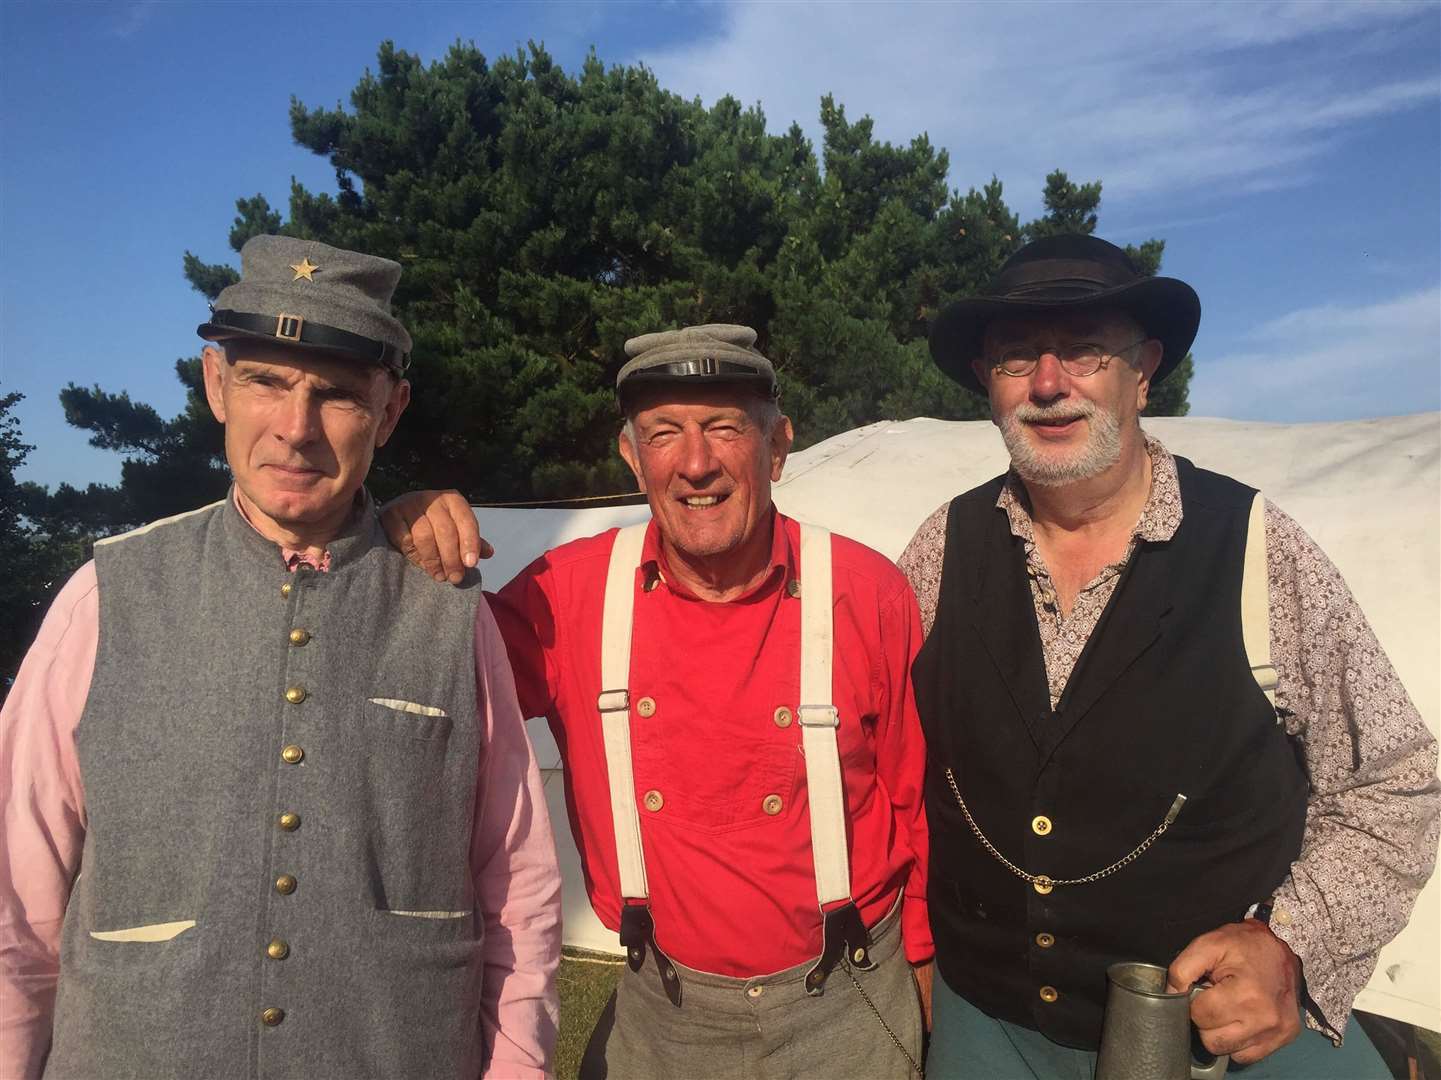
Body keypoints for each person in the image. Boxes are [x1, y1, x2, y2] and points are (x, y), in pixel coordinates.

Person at [0, 235, 562, 1080]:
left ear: (390, 410)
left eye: (335, 395)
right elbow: (17, 887)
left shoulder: (453, 613)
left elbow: (517, 882)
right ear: (215, 385)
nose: (295, 430)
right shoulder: (103, 597)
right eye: (265, 381)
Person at [902, 233, 1439, 1078]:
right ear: (987, 384)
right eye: (1014, 359)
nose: (1047, 384)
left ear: (1142, 370)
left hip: (1217, 1043)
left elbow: (1394, 776)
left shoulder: (1256, 545)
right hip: (991, 1024)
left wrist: (1287, 944)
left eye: (1082, 350)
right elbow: (885, 762)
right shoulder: (942, 545)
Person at [383, 324, 933, 1079]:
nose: (695, 462)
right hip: (661, 1017)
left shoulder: (866, 591)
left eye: (723, 428)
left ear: (777, 447)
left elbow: (918, 804)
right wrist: (395, 528)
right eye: (664, 433)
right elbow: (417, 700)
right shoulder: (565, 594)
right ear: (631, 456)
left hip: (847, 1009)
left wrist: (927, 983)